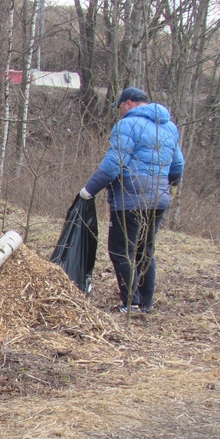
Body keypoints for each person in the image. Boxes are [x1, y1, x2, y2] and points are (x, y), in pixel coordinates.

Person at [79, 87, 185, 314]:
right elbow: (177, 166)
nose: (119, 112)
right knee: (145, 248)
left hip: (129, 199)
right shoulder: (169, 127)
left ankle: (131, 303)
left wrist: (89, 190)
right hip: (158, 199)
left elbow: (113, 164)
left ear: (128, 103)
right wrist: (168, 186)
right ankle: (145, 302)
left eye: (119, 107)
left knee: (121, 249)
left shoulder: (127, 125)